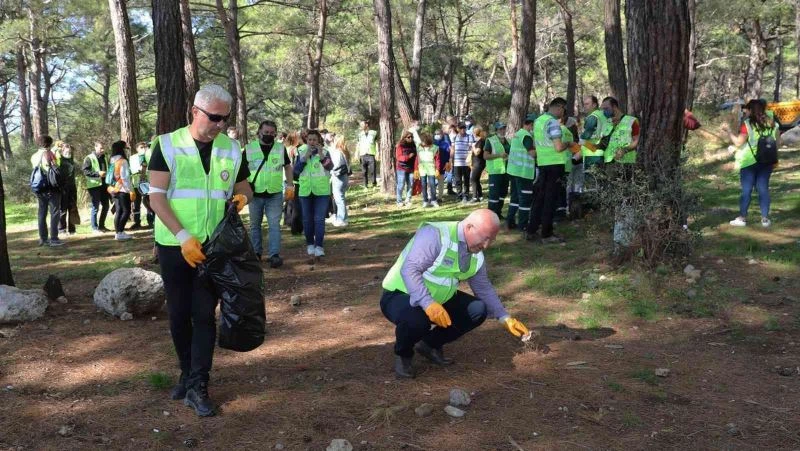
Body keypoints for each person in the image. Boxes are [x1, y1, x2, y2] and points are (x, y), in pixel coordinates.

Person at [148, 84, 252, 417]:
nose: (221, 124)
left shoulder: (232, 149)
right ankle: (186, 371)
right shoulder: (166, 145)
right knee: (179, 315)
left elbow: (243, 184)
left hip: (213, 248)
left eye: (225, 119)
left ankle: (198, 385)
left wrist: (242, 198)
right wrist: (181, 236)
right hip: (175, 247)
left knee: (204, 315)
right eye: (215, 118)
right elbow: (156, 196)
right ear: (196, 111)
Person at [380, 209, 531, 378]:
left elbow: (483, 288)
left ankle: (429, 345)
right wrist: (428, 303)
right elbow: (410, 270)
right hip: (400, 294)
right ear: (469, 227)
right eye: (485, 238)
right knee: (416, 321)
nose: (486, 245)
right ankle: (404, 354)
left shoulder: (476, 255)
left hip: (439, 300)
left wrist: (504, 317)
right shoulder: (435, 235)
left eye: (492, 240)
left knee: (477, 310)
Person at [721, 99, 779, 228]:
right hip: (767, 161)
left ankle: (742, 218)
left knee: (746, 190)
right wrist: (776, 159)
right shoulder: (772, 123)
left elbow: (738, 142)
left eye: (746, 109)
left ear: (751, 110)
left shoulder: (747, 124)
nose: (744, 112)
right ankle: (765, 219)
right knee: (763, 189)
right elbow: (777, 142)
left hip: (749, 162)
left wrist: (729, 131)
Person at [245, 120, 295, 267]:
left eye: (272, 133)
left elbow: (287, 167)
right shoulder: (249, 148)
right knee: (255, 225)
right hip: (255, 193)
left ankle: (274, 255)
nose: (269, 135)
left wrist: (290, 185)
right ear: (259, 132)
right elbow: (241, 171)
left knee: (274, 225)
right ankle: (256, 253)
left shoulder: (280, 149)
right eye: (266, 132)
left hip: (274, 193)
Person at [527, 98, 572, 243]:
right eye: (563, 109)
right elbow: (558, 147)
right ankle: (547, 233)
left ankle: (532, 230)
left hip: (543, 164)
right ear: (559, 107)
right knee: (550, 200)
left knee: (539, 198)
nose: (563, 112)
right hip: (555, 164)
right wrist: (568, 143)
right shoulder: (553, 122)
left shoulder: (539, 121)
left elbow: (535, 144)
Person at [599, 96, 640, 252]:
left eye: (606, 108)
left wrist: (626, 149)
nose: (604, 111)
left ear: (615, 107)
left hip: (627, 164)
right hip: (610, 165)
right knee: (615, 198)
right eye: (602, 109)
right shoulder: (606, 124)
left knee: (626, 198)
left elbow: (636, 140)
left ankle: (626, 234)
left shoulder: (632, 121)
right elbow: (602, 143)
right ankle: (617, 232)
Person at [293, 129, 333, 262]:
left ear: (318, 140)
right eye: (309, 140)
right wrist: (305, 158)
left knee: (319, 219)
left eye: (314, 140)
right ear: (306, 140)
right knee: (307, 219)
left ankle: (319, 246)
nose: (312, 142)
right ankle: (310, 243)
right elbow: (296, 171)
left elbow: (330, 167)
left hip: (321, 191)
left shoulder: (325, 152)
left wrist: (321, 156)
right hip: (305, 191)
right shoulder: (300, 152)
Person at [31, 135, 64, 247]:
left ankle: (43, 238)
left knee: (41, 213)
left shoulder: (34, 156)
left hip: (39, 188)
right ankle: (54, 238)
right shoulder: (50, 154)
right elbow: (56, 170)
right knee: (54, 213)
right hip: (51, 187)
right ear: (49, 143)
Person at [506, 114, 537, 231]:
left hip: (513, 171)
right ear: (530, 124)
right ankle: (523, 225)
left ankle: (510, 221)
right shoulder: (526, 136)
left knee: (515, 198)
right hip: (524, 173)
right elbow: (532, 153)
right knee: (525, 199)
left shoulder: (517, 134)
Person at [106, 140, 135, 241]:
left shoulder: (112, 160)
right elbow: (125, 177)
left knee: (118, 211)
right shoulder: (123, 161)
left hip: (113, 189)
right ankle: (120, 232)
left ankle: (118, 232)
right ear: (122, 149)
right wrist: (130, 190)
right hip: (122, 189)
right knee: (126, 211)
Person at [83, 141, 111, 233]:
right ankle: (94, 228)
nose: (102, 150)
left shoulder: (105, 157)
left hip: (104, 185)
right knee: (95, 207)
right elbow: (85, 171)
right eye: (100, 148)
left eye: (103, 148)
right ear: (95, 147)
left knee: (106, 206)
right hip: (94, 186)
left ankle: (102, 226)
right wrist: (97, 174)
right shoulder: (89, 158)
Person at [484, 122, 510, 219]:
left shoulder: (508, 141)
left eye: (504, 128)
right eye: (500, 129)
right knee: (494, 194)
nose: (502, 131)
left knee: (502, 193)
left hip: (506, 171)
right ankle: (491, 216)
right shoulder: (490, 140)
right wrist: (499, 155)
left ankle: (498, 213)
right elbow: (485, 156)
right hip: (495, 171)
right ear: (496, 131)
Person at [130, 142, 154, 229]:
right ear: (137, 149)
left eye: (144, 147)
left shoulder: (148, 155)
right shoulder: (132, 158)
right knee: (137, 204)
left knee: (148, 202)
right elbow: (131, 169)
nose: (143, 148)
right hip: (136, 183)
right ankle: (137, 222)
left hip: (147, 183)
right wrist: (139, 171)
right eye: (141, 147)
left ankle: (151, 220)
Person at [57, 143, 79, 236]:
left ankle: (72, 229)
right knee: (63, 209)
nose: (69, 152)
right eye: (67, 150)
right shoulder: (59, 160)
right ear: (62, 150)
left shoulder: (71, 159)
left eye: (70, 150)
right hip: (63, 187)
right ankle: (61, 229)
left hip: (72, 186)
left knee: (73, 208)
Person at [580, 96, 608, 168]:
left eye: (587, 104)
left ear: (594, 105)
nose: (585, 106)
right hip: (604, 151)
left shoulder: (593, 116)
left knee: (591, 177)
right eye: (584, 104)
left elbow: (586, 135)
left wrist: (579, 141)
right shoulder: (603, 115)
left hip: (592, 153)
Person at [329, 135, 351, 226]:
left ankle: (341, 219)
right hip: (344, 176)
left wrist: (330, 170)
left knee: (339, 198)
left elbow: (336, 165)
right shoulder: (345, 152)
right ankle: (344, 218)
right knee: (341, 198)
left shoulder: (338, 152)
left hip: (338, 177)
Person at [414, 131, 439, 208]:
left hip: (431, 169)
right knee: (423, 185)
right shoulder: (419, 147)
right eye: (422, 141)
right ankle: (425, 200)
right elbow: (417, 159)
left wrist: (437, 169)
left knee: (432, 185)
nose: (423, 143)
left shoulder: (435, 148)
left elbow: (437, 159)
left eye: (424, 141)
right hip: (422, 169)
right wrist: (416, 169)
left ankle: (433, 200)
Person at [450, 123, 474, 203]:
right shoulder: (454, 137)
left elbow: (471, 148)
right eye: (461, 128)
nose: (463, 130)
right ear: (458, 129)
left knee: (466, 179)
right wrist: (451, 159)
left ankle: (466, 195)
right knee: (458, 180)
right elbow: (452, 149)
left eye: (464, 128)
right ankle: (459, 195)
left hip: (466, 163)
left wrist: (470, 160)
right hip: (457, 162)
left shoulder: (469, 137)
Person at [395, 130, 416, 206]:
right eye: (408, 137)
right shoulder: (400, 145)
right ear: (404, 138)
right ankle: (399, 201)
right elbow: (398, 157)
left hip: (411, 168)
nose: (410, 138)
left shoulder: (414, 145)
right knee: (401, 184)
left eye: (412, 137)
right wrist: (408, 157)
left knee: (410, 184)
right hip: (401, 168)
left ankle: (408, 199)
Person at [356, 120, 379, 188]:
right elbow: (358, 144)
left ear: (366, 125)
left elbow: (377, 143)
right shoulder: (360, 134)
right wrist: (356, 153)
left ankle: (374, 184)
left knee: (373, 170)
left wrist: (378, 152)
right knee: (364, 171)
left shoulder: (374, 133)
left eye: (362, 125)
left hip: (371, 154)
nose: (361, 126)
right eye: (360, 125)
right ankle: (365, 185)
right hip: (362, 154)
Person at [433, 126, 453, 200]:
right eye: (436, 134)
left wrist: (447, 162)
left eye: (439, 134)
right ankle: (432, 196)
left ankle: (440, 197)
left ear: (442, 135)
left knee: (441, 182)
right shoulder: (432, 143)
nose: (437, 135)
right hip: (432, 166)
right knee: (432, 182)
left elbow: (448, 154)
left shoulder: (445, 144)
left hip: (442, 165)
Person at [469, 126, 487, 202]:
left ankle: (474, 197)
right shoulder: (480, 141)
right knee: (476, 179)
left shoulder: (480, 141)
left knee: (473, 179)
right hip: (477, 163)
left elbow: (477, 152)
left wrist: (473, 147)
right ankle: (480, 196)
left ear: (475, 133)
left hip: (478, 163)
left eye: (473, 132)